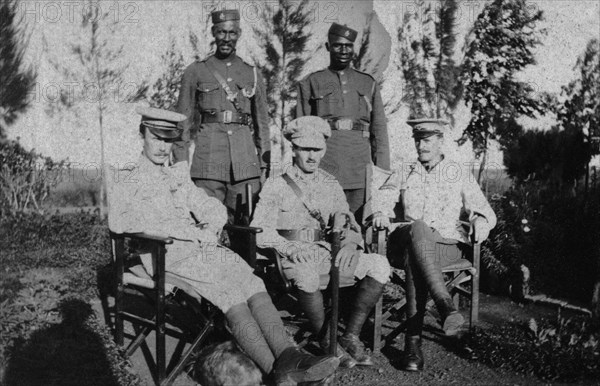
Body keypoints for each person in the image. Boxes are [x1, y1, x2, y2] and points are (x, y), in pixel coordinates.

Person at [110, 107, 339, 385]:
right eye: (156, 138)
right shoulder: (128, 176)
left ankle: (288, 357)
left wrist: (210, 224)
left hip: (200, 251)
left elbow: (209, 206)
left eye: (168, 140)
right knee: (229, 290)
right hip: (165, 254)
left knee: (251, 281)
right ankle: (274, 371)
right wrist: (187, 231)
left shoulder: (176, 176)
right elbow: (120, 223)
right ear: (141, 136)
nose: (162, 147)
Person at [251, 116, 391, 368]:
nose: (312, 156)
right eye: (305, 149)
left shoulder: (331, 183)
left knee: (379, 265)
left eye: (317, 150)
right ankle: (328, 342)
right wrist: (288, 248)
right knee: (307, 275)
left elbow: (349, 223)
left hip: (329, 252)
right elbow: (259, 230)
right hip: (292, 255)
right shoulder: (276, 185)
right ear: (293, 150)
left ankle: (350, 336)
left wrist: (350, 244)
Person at [370, 118, 497, 372]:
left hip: (445, 245)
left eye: (427, 140)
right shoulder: (405, 169)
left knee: (417, 253)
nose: (421, 145)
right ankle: (445, 305)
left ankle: (413, 345)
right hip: (410, 241)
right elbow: (383, 198)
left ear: (440, 141)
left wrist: (480, 221)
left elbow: (483, 211)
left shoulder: (457, 171)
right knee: (418, 228)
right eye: (417, 140)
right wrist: (381, 212)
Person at [174, 9, 270, 217]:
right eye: (222, 33)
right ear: (213, 32)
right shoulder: (196, 71)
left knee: (246, 231)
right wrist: (181, 164)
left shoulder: (251, 73)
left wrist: (264, 164)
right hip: (208, 164)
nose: (227, 39)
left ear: (239, 34)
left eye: (232, 33)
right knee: (206, 227)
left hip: (245, 165)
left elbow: (262, 123)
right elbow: (182, 122)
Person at [296, 22, 390, 223]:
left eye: (348, 46)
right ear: (328, 47)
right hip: (326, 166)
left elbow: (379, 132)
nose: (344, 51)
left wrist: (382, 173)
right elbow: (301, 133)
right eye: (338, 45)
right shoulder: (311, 82)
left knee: (359, 228)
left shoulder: (367, 83)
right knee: (324, 225)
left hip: (359, 167)